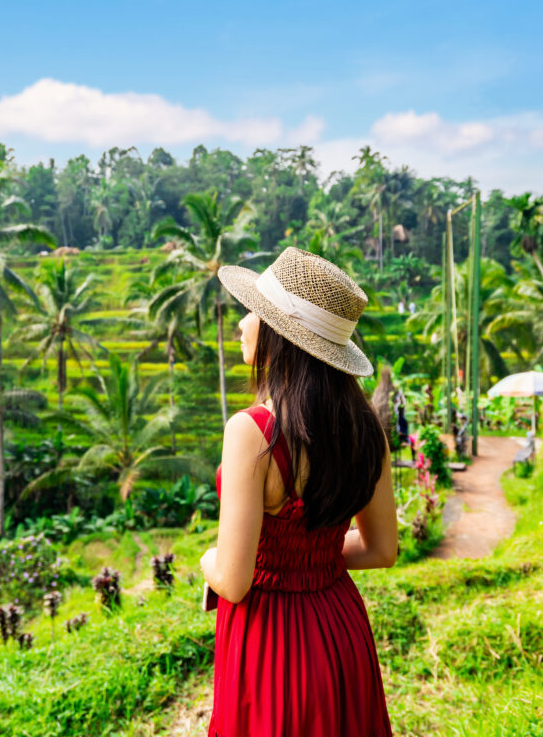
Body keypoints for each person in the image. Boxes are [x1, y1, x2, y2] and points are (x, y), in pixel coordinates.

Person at [200, 247, 397, 737]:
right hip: (339, 632)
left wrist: (209, 559)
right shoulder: (365, 429)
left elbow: (234, 580)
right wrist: (312, 558)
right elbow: (381, 549)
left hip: (269, 642)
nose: (244, 324)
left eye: (254, 312)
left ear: (277, 335)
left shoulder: (254, 432)